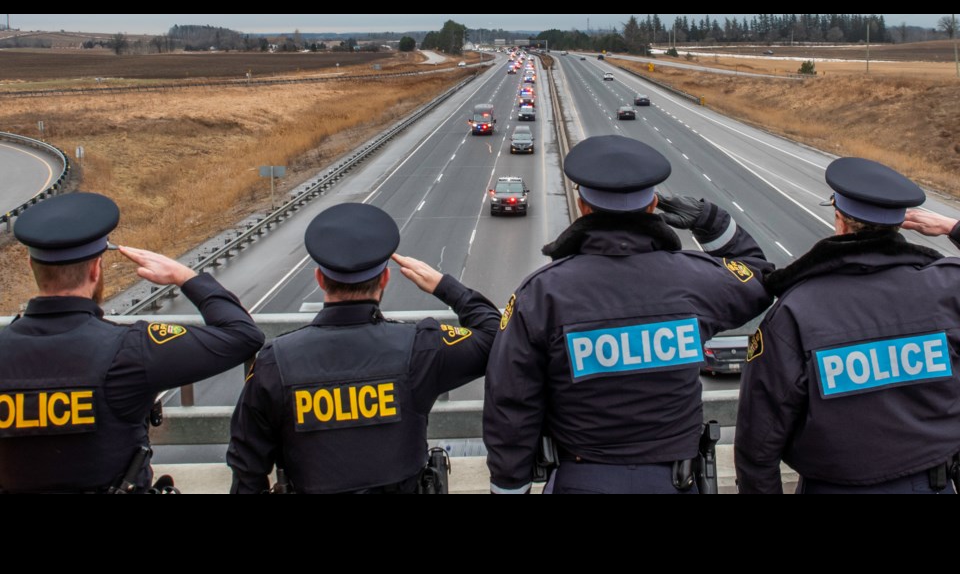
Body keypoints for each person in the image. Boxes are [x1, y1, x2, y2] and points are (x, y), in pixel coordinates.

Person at [483, 135, 773, 494]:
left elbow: (511, 402)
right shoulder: (696, 279)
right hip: (676, 482)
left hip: (580, 479)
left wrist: (510, 487)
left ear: (582, 207)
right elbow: (759, 276)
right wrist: (711, 221)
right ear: (653, 205)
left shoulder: (543, 293)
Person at [227, 202, 501, 494]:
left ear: (320, 279)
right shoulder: (420, 348)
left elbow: (247, 468)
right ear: (385, 278)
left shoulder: (275, 362)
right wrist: (443, 285)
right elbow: (495, 336)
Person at [0, 192, 264, 493]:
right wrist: (184, 276)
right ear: (95, 270)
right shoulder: (129, 350)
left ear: (33, 267)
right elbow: (243, 334)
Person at [736, 157, 960, 494]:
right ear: (899, 226)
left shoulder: (797, 309)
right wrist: (951, 228)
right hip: (932, 483)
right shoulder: (947, 288)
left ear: (840, 222)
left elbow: (759, 441)